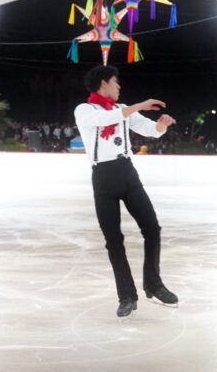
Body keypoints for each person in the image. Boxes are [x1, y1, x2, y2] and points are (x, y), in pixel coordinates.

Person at [74, 65, 178, 318]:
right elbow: (103, 120)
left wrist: (162, 125)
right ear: (103, 84)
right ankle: (127, 296)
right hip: (103, 178)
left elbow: (149, 130)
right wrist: (140, 105)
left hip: (127, 173)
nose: (119, 86)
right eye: (115, 82)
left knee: (152, 228)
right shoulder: (85, 110)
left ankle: (153, 283)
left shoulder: (123, 110)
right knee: (114, 241)